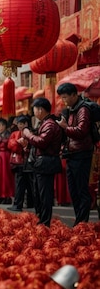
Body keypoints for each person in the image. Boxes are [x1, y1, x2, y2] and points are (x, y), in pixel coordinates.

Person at [57, 82, 94, 225]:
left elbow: (81, 131)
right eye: (62, 98)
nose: (64, 101)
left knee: (81, 189)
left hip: (82, 153)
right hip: (72, 154)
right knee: (73, 190)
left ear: (74, 95)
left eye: (66, 97)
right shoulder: (72, 109)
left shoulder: (83, 109)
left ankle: (82, 222)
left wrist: (65, 127)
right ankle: (79, 220)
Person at [23, 98, 64, 227]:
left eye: (34, 109)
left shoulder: (50, 124)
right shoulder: (45, 123)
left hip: (47, 162)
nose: (33, 111)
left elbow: (42, 142)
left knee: (44, 194)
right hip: (42, 162)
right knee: (39, 193)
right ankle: (42, 219)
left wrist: (28, 135)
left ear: (40, 109)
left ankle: (45, 222)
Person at [7, 115, 34, 211]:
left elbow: (13, 145)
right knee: (25, 183)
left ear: (26, 124)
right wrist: (18, 143)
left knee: (22, 184)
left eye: (22, 124)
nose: (20, 126)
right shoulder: (16, 133)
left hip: (25, 162)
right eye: (19, 124)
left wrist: (17, 143)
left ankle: (18, 204)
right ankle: (27, 203)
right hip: (21, 162)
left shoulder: (29, 133)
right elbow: (10, 145)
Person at [0, 118, 14, 204]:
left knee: (6, 176)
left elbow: (10, 145)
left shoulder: (9, 135)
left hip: (6, 156)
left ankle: (7, 196)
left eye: (2, 125)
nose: (0, 127)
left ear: (5, 126)